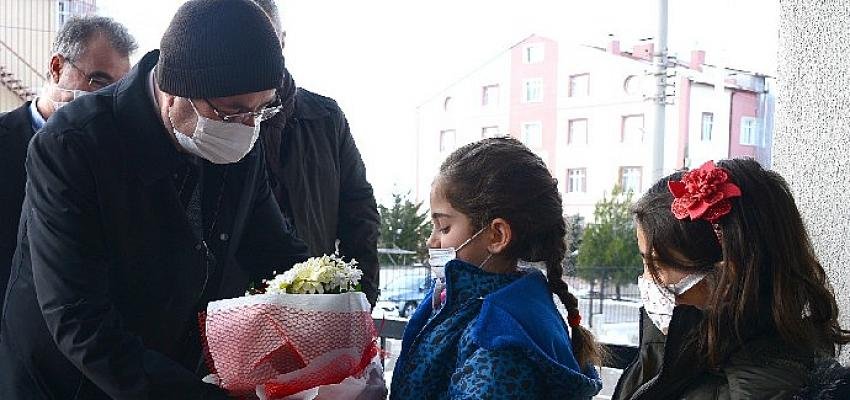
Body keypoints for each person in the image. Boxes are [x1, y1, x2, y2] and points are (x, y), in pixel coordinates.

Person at [0, 1, 308, 398]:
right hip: (68, 382)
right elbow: (79, 319)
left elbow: (274, 249)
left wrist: (331, 308)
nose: (248, 128)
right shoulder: (72, 146)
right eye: (232, 112)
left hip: (169, 371)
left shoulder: (238, 140)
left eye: (262, 110)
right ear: (173, 92)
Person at [613, 159, 850, 400]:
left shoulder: (765, 388)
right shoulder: (673, 349)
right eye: (644, 262)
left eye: (656, 264)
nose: (646, 280)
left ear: (727, 275)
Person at [390, 137, 603, 399]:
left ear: (497, 236)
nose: (431, 241)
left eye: (444, 227)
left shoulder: (498, 343)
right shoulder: (466, 301)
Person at [0, 15, 136, 309]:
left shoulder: (116, 160)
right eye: (99, 81)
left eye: (118, 89)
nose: (107, 99)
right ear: (57, 67)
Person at [251, 0, 380, 305]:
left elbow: (359, 209)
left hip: (312, 300)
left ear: (282, 40)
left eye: (266, 40)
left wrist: (360, 297)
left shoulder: (326, 117)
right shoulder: (219, 119)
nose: (256, 53)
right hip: (232, 307)